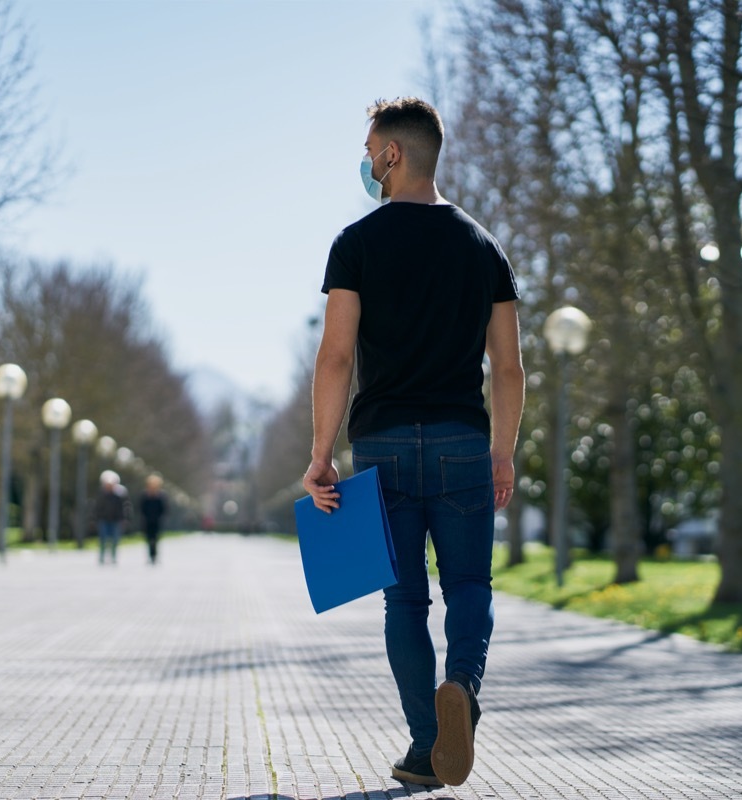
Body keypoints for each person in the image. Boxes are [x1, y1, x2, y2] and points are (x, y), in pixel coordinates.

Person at [303, 97, 525, 788]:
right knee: (468, 584)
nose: (367, 163)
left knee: (405, 601)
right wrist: (504, 452)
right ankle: (461, 683)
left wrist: (319, 453)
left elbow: (336, 357)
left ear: (393, 154)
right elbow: (510, 367)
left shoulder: (357, 243)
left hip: (385, 443)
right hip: (463, 439)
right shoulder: (484, 246)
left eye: (371, 150)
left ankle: (428, 744)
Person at [94, 470, 130, 565]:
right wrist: (95, 518)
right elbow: (97, 507)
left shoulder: (120, 494)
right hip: (104, 519)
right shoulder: (101, 494)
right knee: (103, 539)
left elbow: (125, 507)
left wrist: (125, 518)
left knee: (115, 539)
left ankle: (113, 557)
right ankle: (101, 557)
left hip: (116, 520)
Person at [139, 474, 167, 564]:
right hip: (147, 520)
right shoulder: (145, 495)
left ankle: (154, 556)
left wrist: (160, 517)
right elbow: (141, 507)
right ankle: (150, 555)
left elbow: (164, 508)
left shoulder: (161, 495)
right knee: (148, 539)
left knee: (155, 539)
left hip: (157, 521)